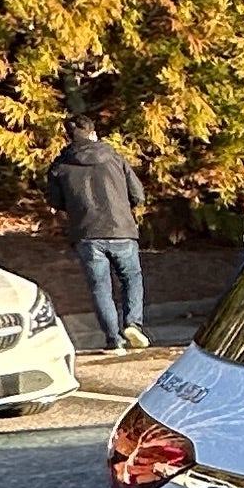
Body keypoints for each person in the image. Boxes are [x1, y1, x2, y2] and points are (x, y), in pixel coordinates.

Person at [49, 113, 150, 353]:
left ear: (69, 137)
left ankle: (113, 340)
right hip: (122, 229)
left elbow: (56, 202)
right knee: (131, 278)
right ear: (93, 133)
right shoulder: (114, 158)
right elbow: (138, 195)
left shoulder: (60, 165)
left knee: (100, 287)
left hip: (86, 233)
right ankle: (133, 323)